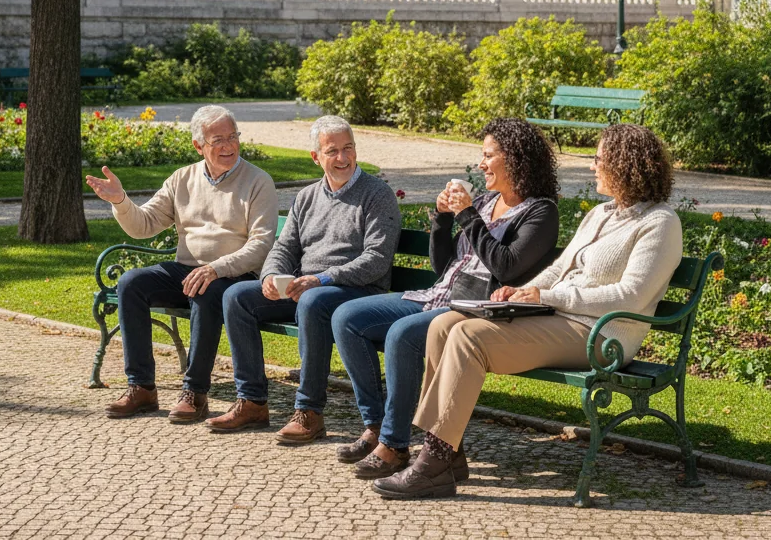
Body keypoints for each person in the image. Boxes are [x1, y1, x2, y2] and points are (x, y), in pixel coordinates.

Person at [373, 122, 683, 500]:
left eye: (598, 159)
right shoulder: (600, 214)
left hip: (602, 334)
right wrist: (523, 291)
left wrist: (549, 297)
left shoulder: (660, 223)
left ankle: (433, 461)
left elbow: (630, 296)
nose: (592, 167)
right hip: (559, 319)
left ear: (625, 164)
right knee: (443, 325)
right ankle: (450, 453)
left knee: (469, 337)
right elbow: (562, 268)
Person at [331, 118, 560, 480]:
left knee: (402, 335)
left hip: (474, 310)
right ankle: (377, 427)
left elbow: (507, 266)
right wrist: (441, 219)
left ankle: (394, 445)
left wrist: (467, 216)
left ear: (514, 158)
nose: (481, 164)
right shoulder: (486, 201)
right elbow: (445, 266)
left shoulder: (540, 212)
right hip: (438, 295)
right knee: (346, 318)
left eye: (488, 156)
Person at [206, 115, 400, 445]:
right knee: (237, 296)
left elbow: (376, 261)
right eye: (332, 151)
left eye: (348, 148)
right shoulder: (307, 197)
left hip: (357, 291)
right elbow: (285, 246)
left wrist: (322, 279)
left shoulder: (377, 194)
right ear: (316, 157)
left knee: (312, 300)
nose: (342, 158)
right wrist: (271, 276)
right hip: (308, 288)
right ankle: (252, 401)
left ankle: (308, 411)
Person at [86, 104, 278, 423]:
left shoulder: (259, 181)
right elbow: (143, 225)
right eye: (218, 140)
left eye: (233, 137)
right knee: (131, 283)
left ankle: (194, 392)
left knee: (206, 289)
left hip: (234, 276)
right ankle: (142, 387)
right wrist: (120, 201)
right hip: (188, 269)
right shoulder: (183, 178)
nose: (228, 146)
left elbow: (261, 245)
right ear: (198, 145)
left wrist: (217, 268)